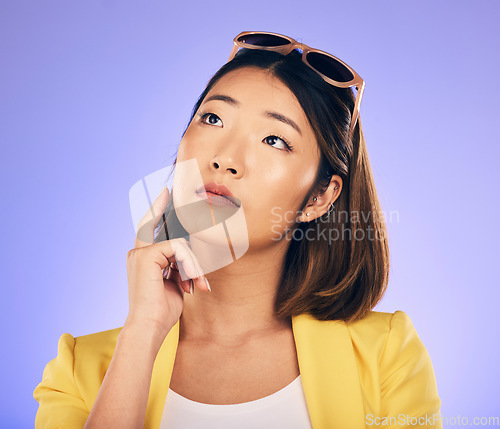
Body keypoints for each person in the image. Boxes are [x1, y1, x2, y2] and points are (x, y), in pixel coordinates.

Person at [33, 31, 443, 429]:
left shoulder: (386, 353)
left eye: (274, 140)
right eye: (213, 118)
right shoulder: (78, 368)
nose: (225, 158)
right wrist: (142, 331)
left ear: (319, 198)